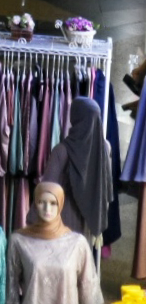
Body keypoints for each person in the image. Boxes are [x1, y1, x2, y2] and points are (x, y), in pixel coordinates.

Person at [6, 183, 102, 304]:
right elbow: (11, 286)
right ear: (35, 203)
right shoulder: (19, 241)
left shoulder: (77, 243)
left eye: (53, 203)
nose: (47, 208)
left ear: (60, 205)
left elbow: (88, 287)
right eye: (42, 202)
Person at [40, 97, 114, 240]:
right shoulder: (105, 148)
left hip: (63, 223)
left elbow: (46, 191)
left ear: (74, 117)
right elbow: (107, 187)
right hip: (92, 218)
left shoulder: (62, 151)